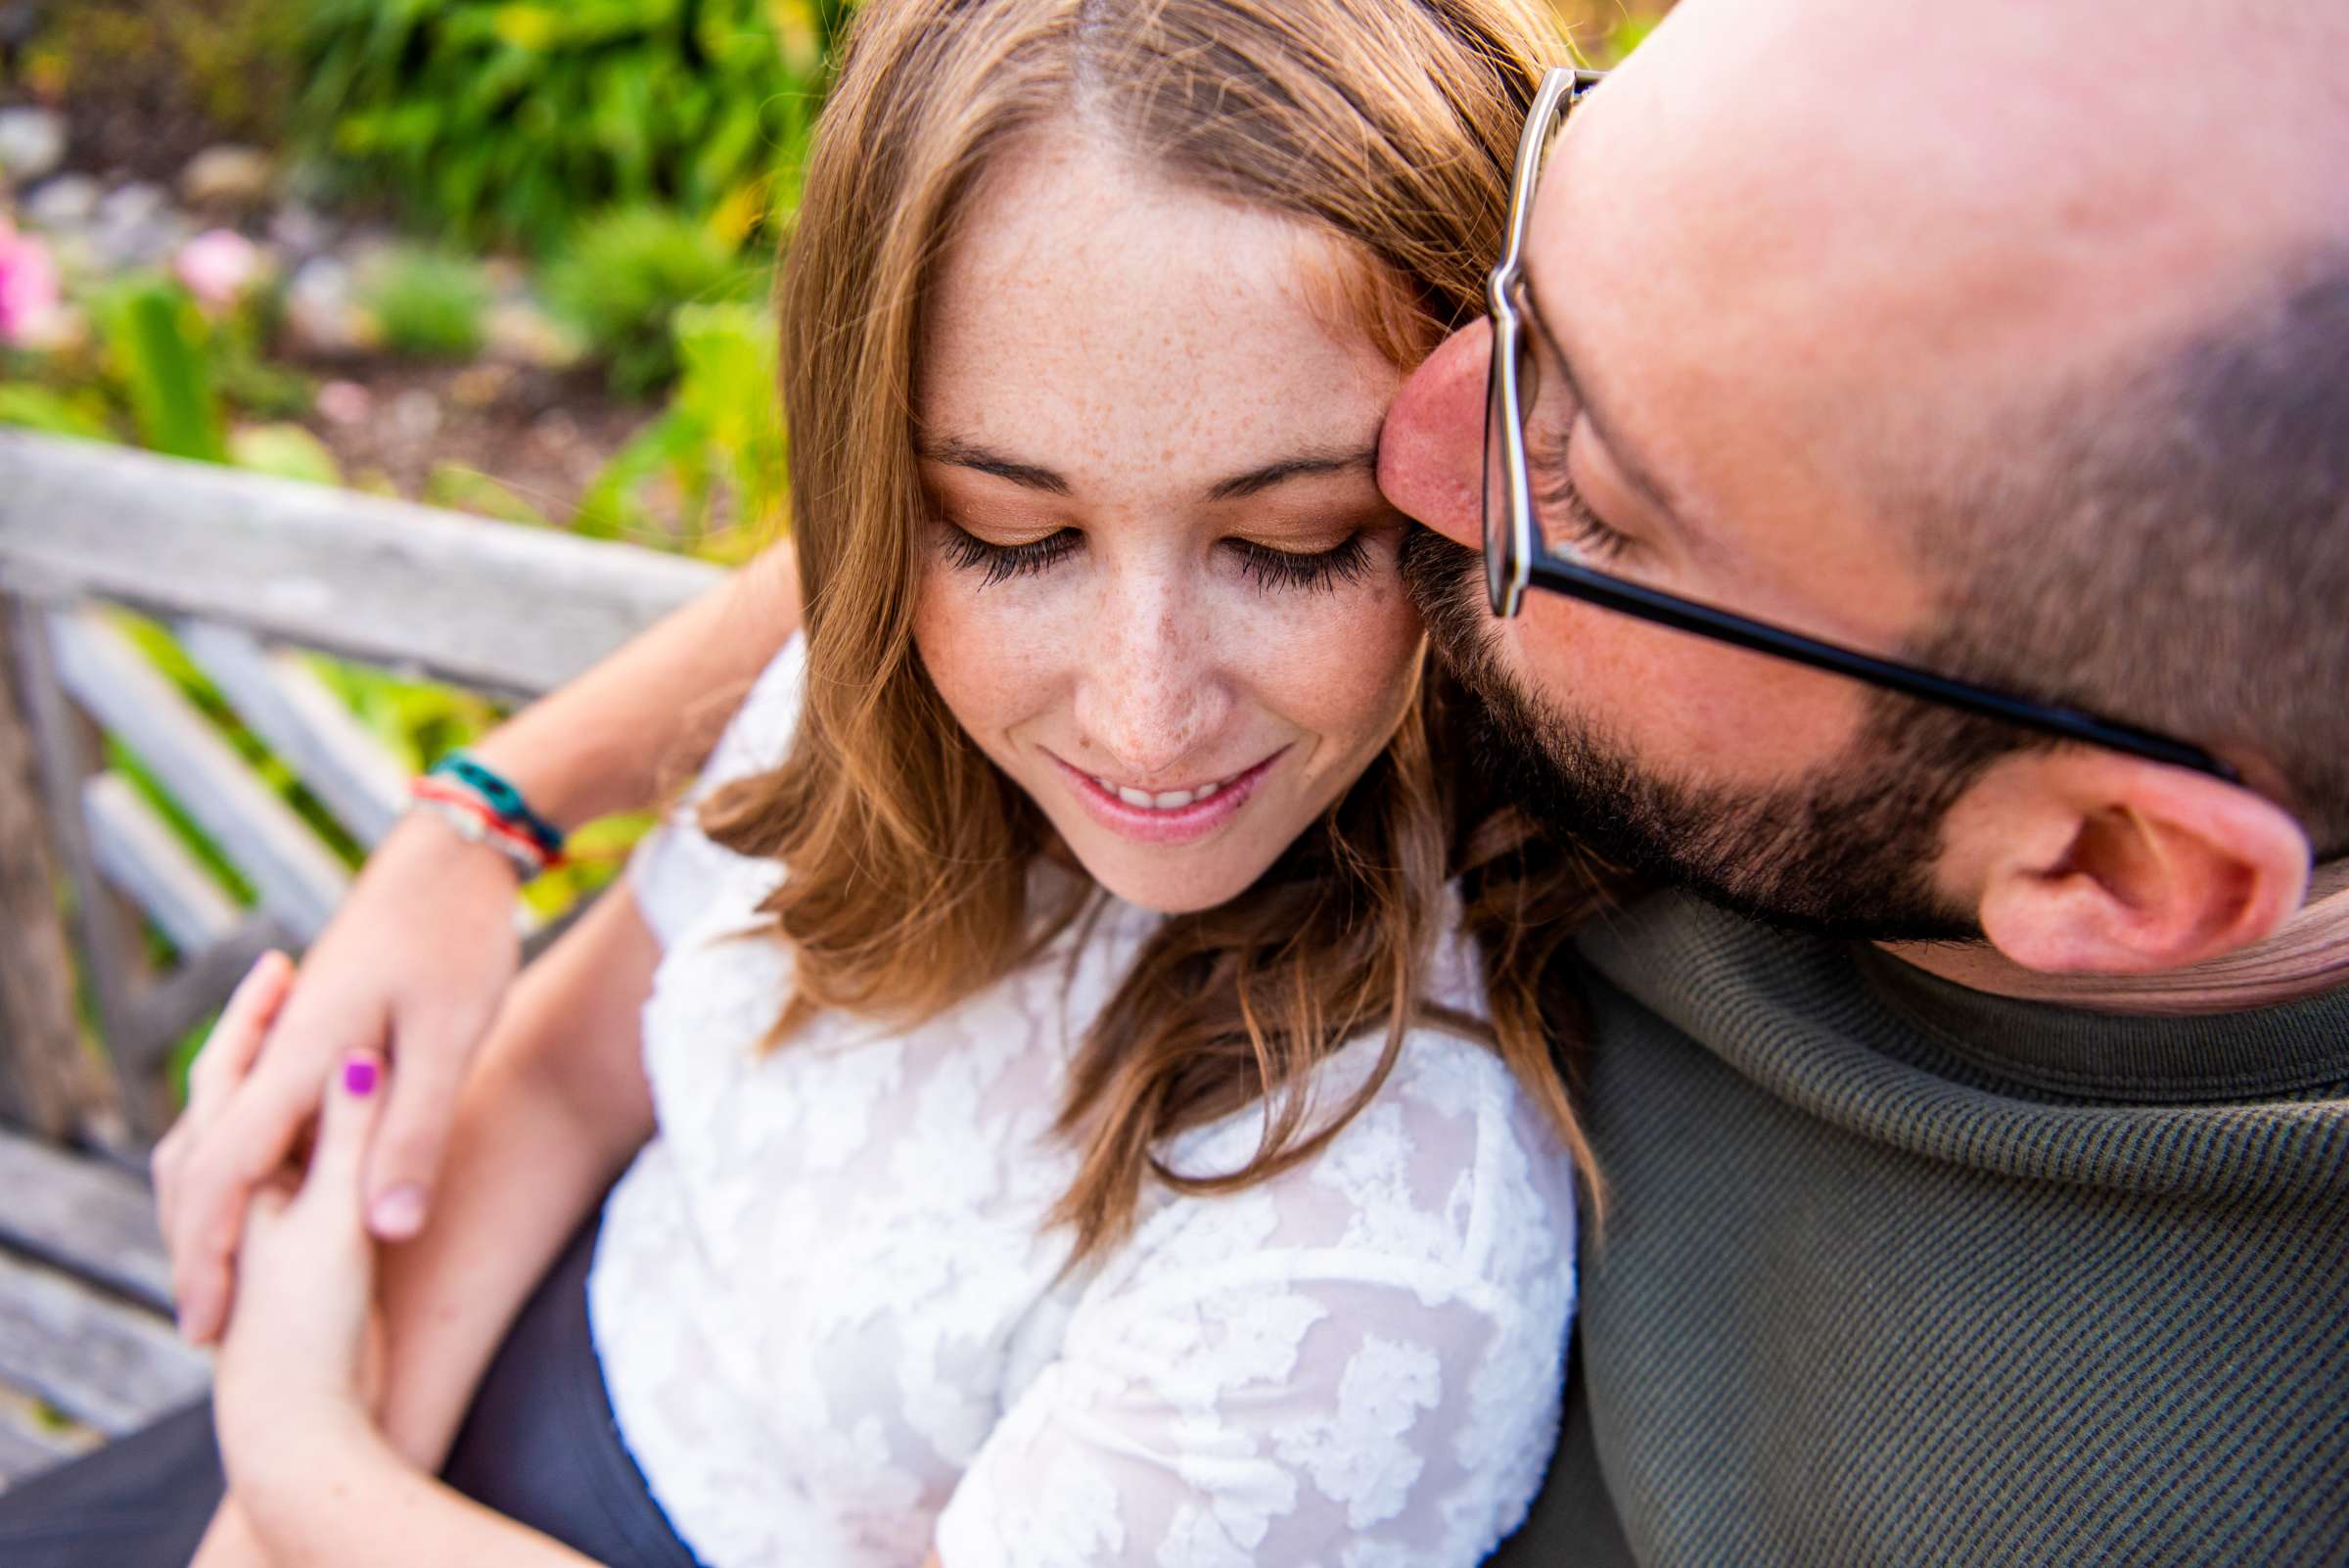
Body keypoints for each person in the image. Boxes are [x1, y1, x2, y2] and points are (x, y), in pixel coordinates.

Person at [135, 0, 2349, 1561]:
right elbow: (1108, 362)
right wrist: (487, 817)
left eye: (1566, 477)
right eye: (1527, 279)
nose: (1421, 437)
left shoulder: (2117, 1460)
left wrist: (301, 1444)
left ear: (2108, 864)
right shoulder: (1617, 643)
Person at [0, 1, 1607, 1566]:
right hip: (424, 1393)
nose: (1141, 715)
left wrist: (295, 1445)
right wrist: (261, 1513)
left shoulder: (1361, 1277)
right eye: (1009, 528)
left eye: (1291, 545)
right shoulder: (886, 692)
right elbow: (565, 1084)